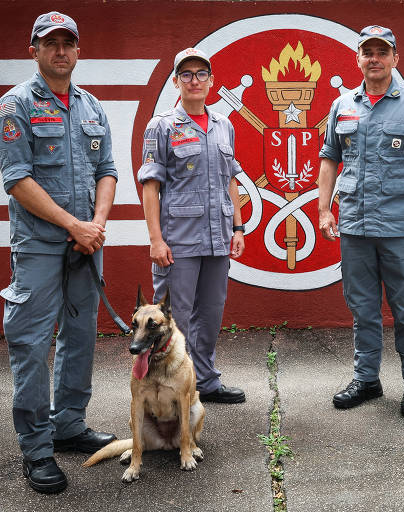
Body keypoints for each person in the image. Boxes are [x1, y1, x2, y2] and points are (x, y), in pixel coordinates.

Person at [0, 12, 118, 493]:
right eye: (51, 43)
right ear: (34, 50)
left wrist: (97, 225)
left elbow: (107, 168)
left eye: (69, 43)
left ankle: (68, 426)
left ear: (78, 51)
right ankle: (37, 449)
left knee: (81, 336)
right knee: (30, 343)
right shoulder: (16, 106)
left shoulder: (91, 107)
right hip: (41, 246)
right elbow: (17, 181)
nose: (61, 50)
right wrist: (73, 225)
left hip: (86, 244)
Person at [318, 26, 404, 417]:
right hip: (355, 226)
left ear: (395, 57)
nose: (374, 58)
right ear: (357, 58)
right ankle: (367, 379)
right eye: (367, 52)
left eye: (382, 51)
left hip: (400, 227)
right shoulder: (343, 105)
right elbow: (330, 156)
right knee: (362, 308)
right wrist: (325, 209)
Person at [138, 48, 246, 405]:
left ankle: (206, 382)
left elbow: (231, 180)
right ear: (176, 82)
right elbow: (150, 186)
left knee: (211, 313)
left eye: (201, 74)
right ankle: (163, 390)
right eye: (187, 74)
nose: (195, 80)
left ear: (212, 81)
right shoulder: (162, 126)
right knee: (172, 320)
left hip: (217, 239)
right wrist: (155, 239)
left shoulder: (223, 125)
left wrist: (238, 228)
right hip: (178, 242)